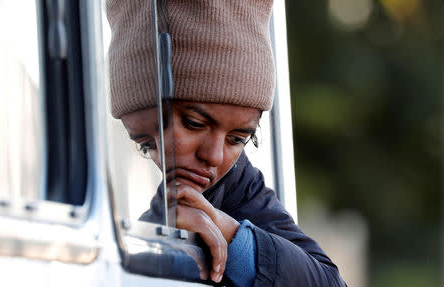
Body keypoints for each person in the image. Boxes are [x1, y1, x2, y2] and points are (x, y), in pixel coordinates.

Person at [107, 0, 347, 286]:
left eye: (238, 139)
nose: (215, 157)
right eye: (146, 145)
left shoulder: (241, 187)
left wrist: (230, 233)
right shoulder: (150, 215)